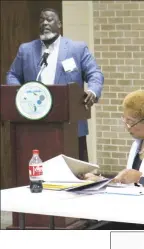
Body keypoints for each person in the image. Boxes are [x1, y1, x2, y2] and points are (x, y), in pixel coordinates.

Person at [6, 8, 104, 162]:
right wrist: (20, 93)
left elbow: (95, 73)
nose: (45, 22)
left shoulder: (76, 49)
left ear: (59, 24)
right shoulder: (26, 50)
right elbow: (12, 75)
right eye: (41, 19)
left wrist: (93, 90)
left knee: (74, 177)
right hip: (34, 125)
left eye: (50, 19)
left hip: (70, 126)